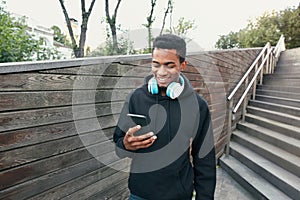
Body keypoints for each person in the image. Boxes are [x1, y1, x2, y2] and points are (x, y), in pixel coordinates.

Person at [113, 34, 216, 200]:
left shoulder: (198, 106)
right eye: (156, 65)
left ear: (182, 65)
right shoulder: (136, 98)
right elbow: (119, 146)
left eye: (169, 66)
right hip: (139, 194)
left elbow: (205, 159)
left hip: (178, 195)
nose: (161, 72)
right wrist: (126, 145)